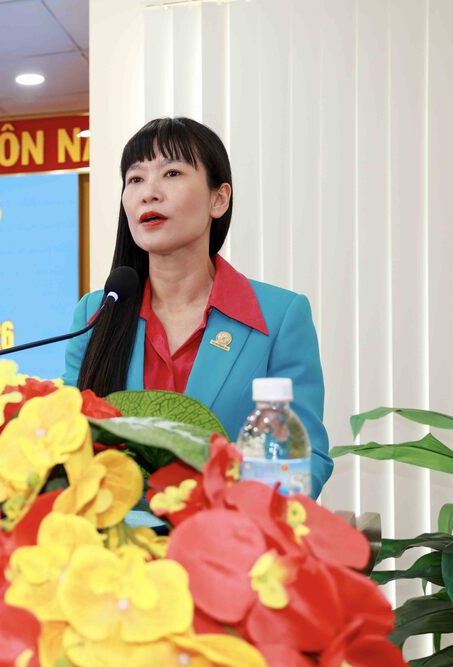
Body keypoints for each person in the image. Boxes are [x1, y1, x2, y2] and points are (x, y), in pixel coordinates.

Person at [63, 117, 332, 498]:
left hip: (232, 529)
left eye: (171, 173)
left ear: (218, 199)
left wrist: (248, 519)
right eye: (135, 179)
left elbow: (304, 458)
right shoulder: (98, 312)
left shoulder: (280, 316)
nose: (148, 193)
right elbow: (66, 439)